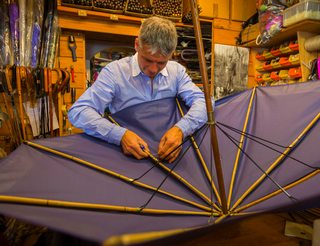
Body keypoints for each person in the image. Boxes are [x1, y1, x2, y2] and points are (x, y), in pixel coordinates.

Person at [68, 16, 208, 163]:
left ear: (171, 54)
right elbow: (79, 111)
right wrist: (119, 135)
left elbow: (204, 102)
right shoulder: (115, 73)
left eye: (161, 62)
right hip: (129, 156)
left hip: (169, 155)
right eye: (147, 60)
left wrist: (181, 130)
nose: (153, 69)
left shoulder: (177, 72)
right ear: (136, 44)